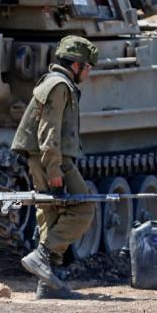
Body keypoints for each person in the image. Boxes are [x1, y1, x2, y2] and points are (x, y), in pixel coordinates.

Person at [12, 35, 98, 299]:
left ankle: (47, 283)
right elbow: (49, 130)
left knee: (50, 214)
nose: (89, 72)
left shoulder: (54, 82)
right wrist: (53, 168)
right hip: (52, 159)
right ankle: (43, 256)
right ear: (76, 65)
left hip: (44, 158)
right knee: (83, 208)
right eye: (87, 66)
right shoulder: (59, 85)